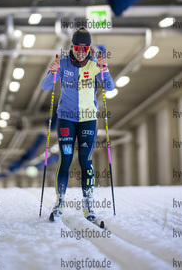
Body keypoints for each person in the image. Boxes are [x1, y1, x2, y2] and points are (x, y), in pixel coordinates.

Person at [41, 26, 115, 221]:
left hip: (88, 118)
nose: (80, 53)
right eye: (77, 48)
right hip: (66, 117)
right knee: (65, 159)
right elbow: (45, 86)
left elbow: (110, 87)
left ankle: (88, 202)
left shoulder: (94, 64)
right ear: (72, 47)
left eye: (84, 49)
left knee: (85, 160)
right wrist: (51, 72)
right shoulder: (63, 63)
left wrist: (105, 70)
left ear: (89, 49)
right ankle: (60, 201)